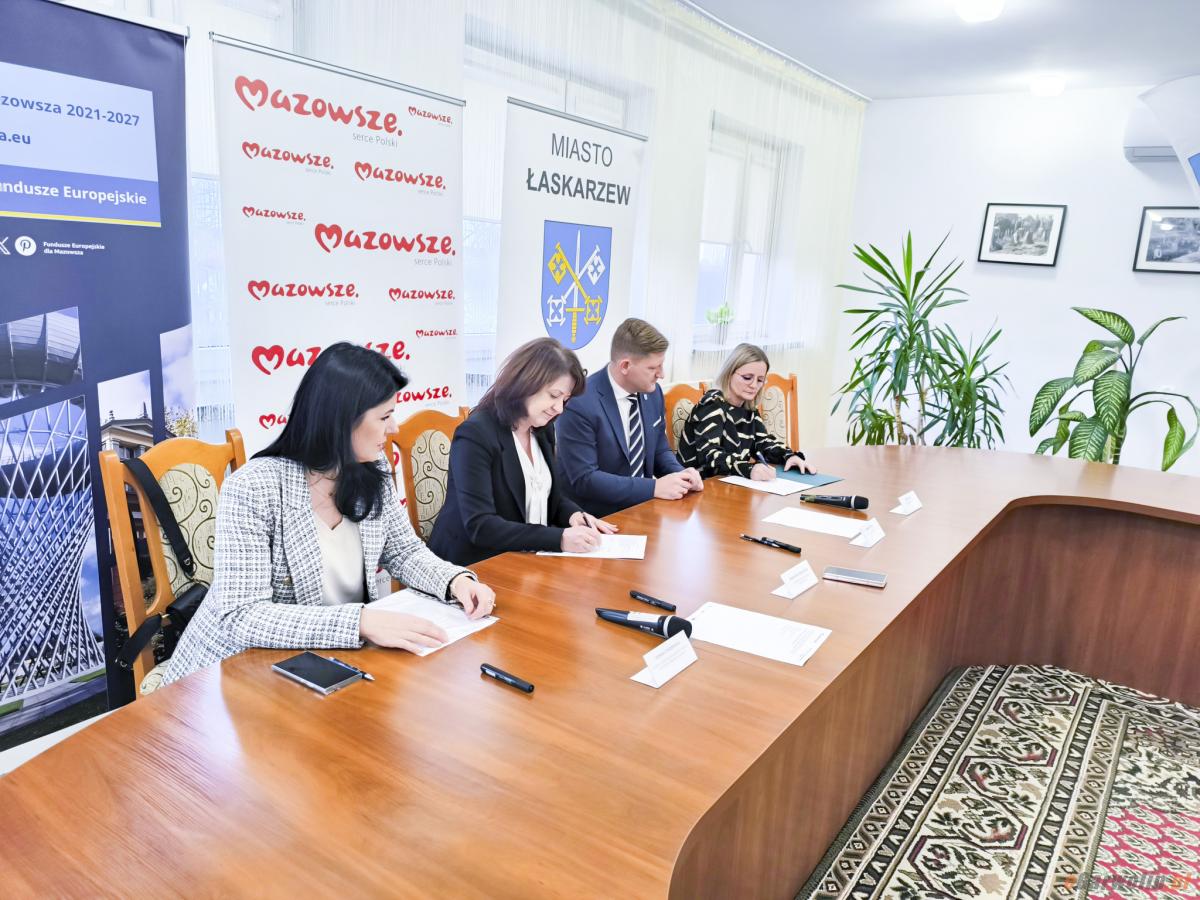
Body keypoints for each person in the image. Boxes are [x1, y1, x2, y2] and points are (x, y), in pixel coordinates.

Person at [162, 343, 495, 685]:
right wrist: (360, 622)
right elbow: (242, 616)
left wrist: (455, 581)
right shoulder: (254, 487)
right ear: (341, 421)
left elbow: (403, 551)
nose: (394, 428)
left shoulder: (373, 468)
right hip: (236, 674)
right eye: (384, 417)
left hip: (326, 664)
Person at [428, 337, 616, 567]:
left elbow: (549, 497)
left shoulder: (542, 429)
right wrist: (559, 538)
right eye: (554, 395)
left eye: (565, 400)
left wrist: (574, 516)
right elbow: (481, 526)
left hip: (524, 559)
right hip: (473, 564)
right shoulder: (475, 434)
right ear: (526, 383)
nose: (559, 408)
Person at [556, 318, 702, 517]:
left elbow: (660, 450)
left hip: (645, 510)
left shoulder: (653, 393)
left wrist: (681, 475)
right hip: (597, 517)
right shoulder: (580, 402)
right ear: (625, 366)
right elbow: (585, 479)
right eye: (653, 368)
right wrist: (653, 487)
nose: (661, 374)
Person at [677, 342, 814, 480]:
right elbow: (710, 456)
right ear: (729, 373)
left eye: (760, 380)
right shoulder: (711, 404)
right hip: (699, 485)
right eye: (747, 378)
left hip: (730, 484)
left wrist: (789, 456)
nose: (754, 385)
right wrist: (749, 469)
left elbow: (763, 442)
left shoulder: (749, 407)